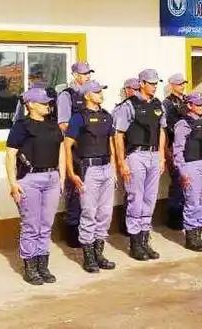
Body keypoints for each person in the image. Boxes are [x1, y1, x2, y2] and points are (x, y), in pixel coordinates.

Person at [5, 86, 66, 286]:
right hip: (29, 180)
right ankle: (30, 266)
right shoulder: (22, 126)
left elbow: (61, 151)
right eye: (43, 103)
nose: (48, 105)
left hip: (51, 178)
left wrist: (62, 177)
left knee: (46, 224)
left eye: (48, 102)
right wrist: (13, 183)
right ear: (30, 105)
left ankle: (43, 264)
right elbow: (11, 154)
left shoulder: (52, 124)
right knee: (31, 225)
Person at [64, 80, 117, 273]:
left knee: (105, 214)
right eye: (96, 91)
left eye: (101, 91)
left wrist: (115, 168)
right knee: (88, 212)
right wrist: (70, 172)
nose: (100, 94)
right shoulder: (79, 118)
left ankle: (99, 254)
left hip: (106, 168)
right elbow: (67, 145)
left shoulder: (107, 116)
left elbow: (111, 142)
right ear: (87, 95)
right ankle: (88, 257)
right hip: (89, 170)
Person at [113, 68, 166, 261]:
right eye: (151, 83)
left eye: (156, 83)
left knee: (150, 200)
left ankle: (145, 240)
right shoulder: (129, 105)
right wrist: (121, 162)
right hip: (136, 155)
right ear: (141, 83)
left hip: (153, 155)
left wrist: (161, 155)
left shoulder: (158, 104)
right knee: (136, 199)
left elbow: (161, 130)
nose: (154, 87)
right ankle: (135, 243)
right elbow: (118, 134)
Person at [57, 61, 94, 248]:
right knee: (74, 189)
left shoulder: (92, 94)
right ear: (75, 75)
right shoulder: (67, 95)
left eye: (89, 73)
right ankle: (72, 231)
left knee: (88, 190)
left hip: (91, 150)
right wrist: (80, 139)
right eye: (84, 73)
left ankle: (87, 231)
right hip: (74, 149)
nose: (87, 76)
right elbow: (63, 123)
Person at [173, 92, 202, 252]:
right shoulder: (183, 124)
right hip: (191, 165)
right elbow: (178, 150)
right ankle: (191, 237)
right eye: (197, 104)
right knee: (193, 201)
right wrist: (182, 171)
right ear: (189, 105)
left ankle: (199, 234)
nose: (201, 107)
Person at [113, 78, 140, 236]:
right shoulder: (122, 109)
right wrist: (120, 160)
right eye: (133, 89)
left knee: (138, 193)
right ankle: (126, 226)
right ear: (127, 90)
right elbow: (118, 135)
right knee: (131, 193)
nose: (136, 91)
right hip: (129, 154)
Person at [162, 73, 188, 230]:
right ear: (172, 85)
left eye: (183, 83)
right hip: (174, 145)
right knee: (178, 181)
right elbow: (169, 127)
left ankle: (184, 214)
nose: (182, 86)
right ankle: (174, 216)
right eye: (179, 84)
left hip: (188, 146)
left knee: (187, 181)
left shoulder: (186, 100)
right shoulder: (167, 103)